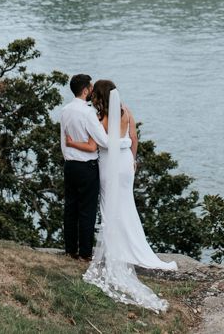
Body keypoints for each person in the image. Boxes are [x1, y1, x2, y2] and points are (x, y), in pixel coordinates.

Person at [65, 79, 177, 311]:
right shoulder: (126, 111)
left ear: (101, 96)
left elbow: (101, 144)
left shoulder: (100, 116)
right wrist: (133, 159)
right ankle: (132, 245)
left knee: (109, 205)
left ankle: (115, 248)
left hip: (109, 164)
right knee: (126, 204)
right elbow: (134, 139)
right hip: (126, 163)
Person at [59, 74, 129, 260]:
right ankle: (85, 253)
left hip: (70, 165)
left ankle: (70, 250)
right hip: (86, 166)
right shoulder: (88, 113)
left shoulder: (65, 110)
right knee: (87, 211)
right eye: (90, 88)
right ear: (85, 91)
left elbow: (63, 142)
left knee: (70, 209)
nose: (92, 91)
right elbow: (104, 142)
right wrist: (125, 141)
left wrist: (70, 152)